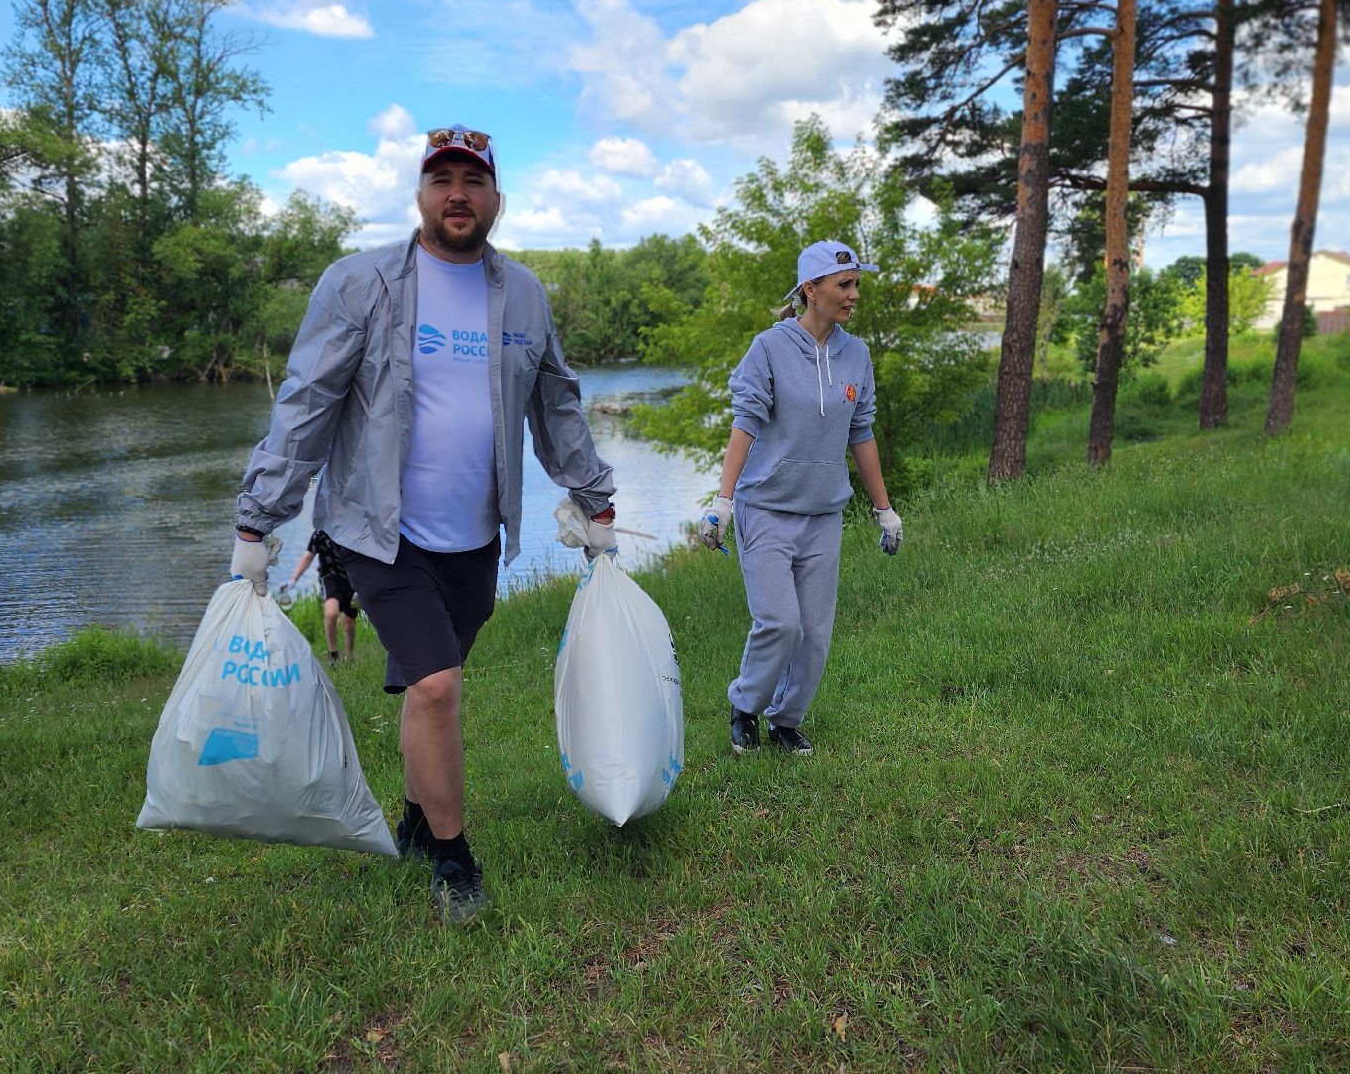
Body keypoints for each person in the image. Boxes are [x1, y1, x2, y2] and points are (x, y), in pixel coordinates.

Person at [231, 124, 618, 925]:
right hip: (379, 530)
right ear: (419, 194)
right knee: (438, 684)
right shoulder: (360, 284)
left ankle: (413, 817)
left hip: (476, 535)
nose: (457, 194)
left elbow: (556, 406)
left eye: (472, 181)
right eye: (441, 179)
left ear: (495, 199)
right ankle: (452, 858)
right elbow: (306, 405)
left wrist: (597, 498)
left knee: (422, 686)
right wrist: (258, 519)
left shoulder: (525, 295)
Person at [697, 240, 904, 757]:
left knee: (813, 632)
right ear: (811, 290)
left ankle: (786, 720)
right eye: (844, 285)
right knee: (779, 622)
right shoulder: (768, 348)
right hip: (765, 509)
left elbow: (862, 432)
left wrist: (885, 510)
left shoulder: (856, 354)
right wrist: (722, 502)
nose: (854, 295)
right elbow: (745, 422)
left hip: (823, 515)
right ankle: (745, 707)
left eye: (856, 284)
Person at [287, 528, 359, 666]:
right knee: (331, 614)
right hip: (330, 576)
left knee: (348, 623)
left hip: (351, 579)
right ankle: (333, 654)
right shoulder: (320, 534)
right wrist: (294, 579)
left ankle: (349, 657)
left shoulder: (350, 528)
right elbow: (308, 557)